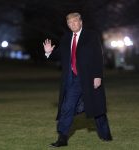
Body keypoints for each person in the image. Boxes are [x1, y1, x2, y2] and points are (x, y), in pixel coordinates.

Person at [43, 12, 112, 148]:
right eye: (69, 23)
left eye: (75, 22)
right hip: (72, 79)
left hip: (89, 78)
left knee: (97, 110)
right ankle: (62, 139)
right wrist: (48, 52)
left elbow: (98, 56)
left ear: (81, 22)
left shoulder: (91, 36)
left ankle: (105, 135)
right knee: (67, 107)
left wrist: (98, 76)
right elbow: (59, 55)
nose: (72, 24)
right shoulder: (66, 38)